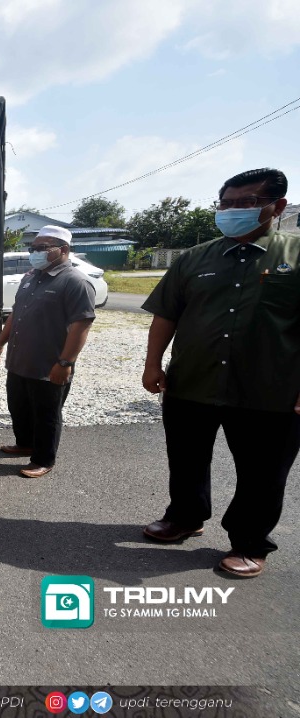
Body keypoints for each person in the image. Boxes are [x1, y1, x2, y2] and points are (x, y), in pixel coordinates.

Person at [141, 168, 300, 579]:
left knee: (263, 473)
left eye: (246, 202)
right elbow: (166, 314)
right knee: (186, 459)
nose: (233, 211)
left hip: (271, 390)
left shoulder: (295, 255)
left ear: (277, 206)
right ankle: (184, 517)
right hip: (192, 382)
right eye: (226, 203)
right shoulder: (196, 258)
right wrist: (153, 363)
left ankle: (249, 542)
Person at [0, 225, 94, 478]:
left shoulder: (76, 282)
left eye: (42, 248)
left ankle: (43, 459)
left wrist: (65, 362)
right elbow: (15, 313)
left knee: (46, 414)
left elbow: (81, 325)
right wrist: (0, 341)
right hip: (20, 361)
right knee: (19, 406)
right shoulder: (30, 277)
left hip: (49, 364)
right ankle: (25, 443)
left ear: (64, 250)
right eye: (33, 248)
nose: (35, 253)